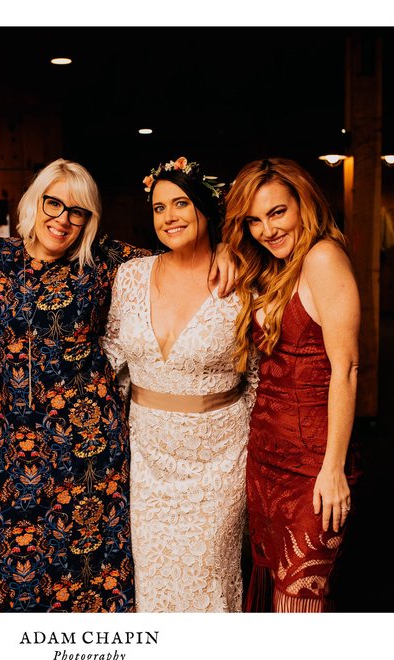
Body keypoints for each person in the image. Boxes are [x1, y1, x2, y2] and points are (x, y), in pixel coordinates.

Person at [0, 158, 236, 612]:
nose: (63, 219)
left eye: (78, 211)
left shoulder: (109, 260)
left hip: (89, 448)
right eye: (54, 203)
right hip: (12, 446)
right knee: (14, 570)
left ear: (89, 220)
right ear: (35, 202)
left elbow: (181, 250)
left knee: (89, 572)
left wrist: (226, 248)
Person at [102, 157, 257, 612]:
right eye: (158, 207)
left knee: (208, 580)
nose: (169, 216)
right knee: (154, 583)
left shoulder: (243, 278)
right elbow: (112, 356)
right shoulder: (130, 275)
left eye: (181, 203)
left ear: (206, 209)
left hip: (219, 459)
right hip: (148, 459)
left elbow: (261, 375)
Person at [222, 157, 360, 613]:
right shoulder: (271, 266)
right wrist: (226, 249)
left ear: (304, 203)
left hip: (314, 465)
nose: (267, 229)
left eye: (277, 212)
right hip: (266, 459)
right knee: (273, 589)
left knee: (299, 602)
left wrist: (334, 468)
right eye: (254, 220)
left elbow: (346, 369)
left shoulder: (323, 257)